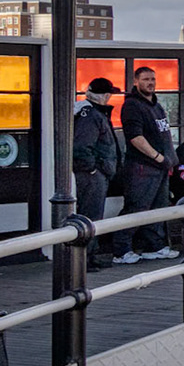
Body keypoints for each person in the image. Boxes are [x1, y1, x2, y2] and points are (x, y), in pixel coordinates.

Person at [111, 65, 179, 263]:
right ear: (135, 82)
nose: (150, 83)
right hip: (143, 167)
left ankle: (154, 246)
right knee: (137, 207)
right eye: (146, 79)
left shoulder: (156, 105)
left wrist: (169, 161)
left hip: (162, 167)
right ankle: (121, 251)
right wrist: (157, 157)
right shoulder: (132, 105)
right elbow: (135, 138)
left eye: (153, 79)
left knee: (159, 208)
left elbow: (164, 135)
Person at [71, 77, 122, 269]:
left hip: (95, 173)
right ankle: (83, 259)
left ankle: (90, 256)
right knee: (90, 216)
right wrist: (93, 169)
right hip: (92, 175)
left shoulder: (89, 113)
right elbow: (82, 146)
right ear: (105, 95)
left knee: (93, 215)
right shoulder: (92, 116)